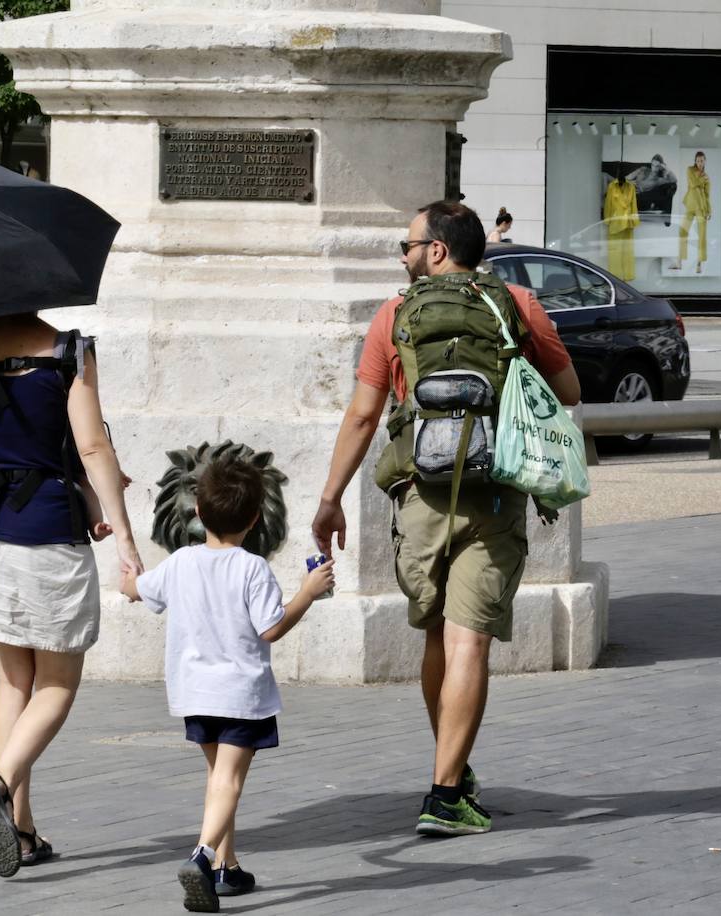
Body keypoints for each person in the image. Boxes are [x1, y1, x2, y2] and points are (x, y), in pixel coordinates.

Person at [311, 200, 581, 836]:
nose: (403, 257)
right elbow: (568, 393)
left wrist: (329, 499)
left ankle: (452, 776)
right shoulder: (517, 304)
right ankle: (445, 789)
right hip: (492, 493)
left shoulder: (393, 316)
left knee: (436, 637)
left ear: (436, 250)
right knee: (471, 642)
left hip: (421, 496)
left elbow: (361, 417)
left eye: (407, 246)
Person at [0, 311, 143, 878]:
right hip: (42, 529)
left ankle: (20, 831)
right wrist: (127, 542)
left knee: (14, 680)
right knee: (58, 685)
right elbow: (91, 448)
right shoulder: (69, 351)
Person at [121, 460, 335, 912]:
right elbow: (272, 628)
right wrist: (308, 593)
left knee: (219, 777)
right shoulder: (252, 568)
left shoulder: (181, 561)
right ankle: (201, 855)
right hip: (241, 695)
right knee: (230, 780)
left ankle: (227, 866)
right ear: (256, 518)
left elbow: (136, 589)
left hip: (195, 694)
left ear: (197, 510)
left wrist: (128, 573)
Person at [671, 151, 712, 274]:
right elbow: (693, 183)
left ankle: (699, 264)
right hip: (690, 206)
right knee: (683, 231)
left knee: (702, 236)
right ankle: (679, 262)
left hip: (702, 208)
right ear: (695, 161)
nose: (700, 163)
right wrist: (702, 179)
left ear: (705, 161)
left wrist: (709, 210)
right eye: (698, 160)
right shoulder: (690, 170)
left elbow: (707, 195)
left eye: (702, 160)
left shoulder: (707, 177)